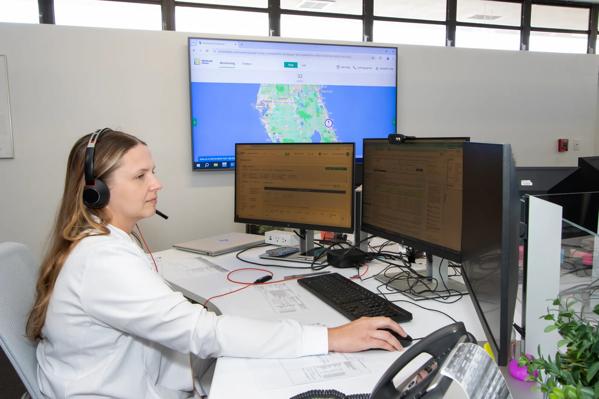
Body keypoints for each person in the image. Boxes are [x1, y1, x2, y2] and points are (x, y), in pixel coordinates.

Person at [26, 128, 408, 398]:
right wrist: (330, 337)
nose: (156, 184)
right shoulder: (102, 260)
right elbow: (202, 332)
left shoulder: (100, 242)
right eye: (141, 175)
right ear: (97, 190)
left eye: (153, 171)